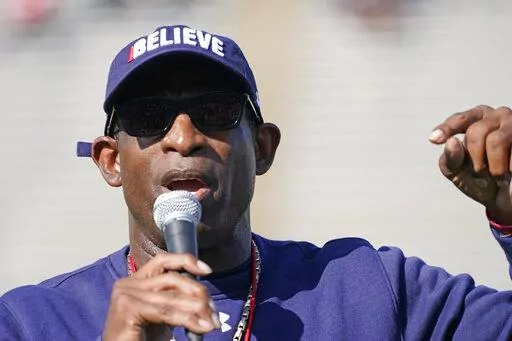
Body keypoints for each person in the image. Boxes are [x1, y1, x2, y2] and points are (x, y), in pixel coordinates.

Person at [2, 24, 512, 341]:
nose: (183, 137)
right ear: (110, 161)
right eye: (149, 115)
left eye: (216, 111)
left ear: (264, 148)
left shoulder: (374, 289)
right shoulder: (29, 322)